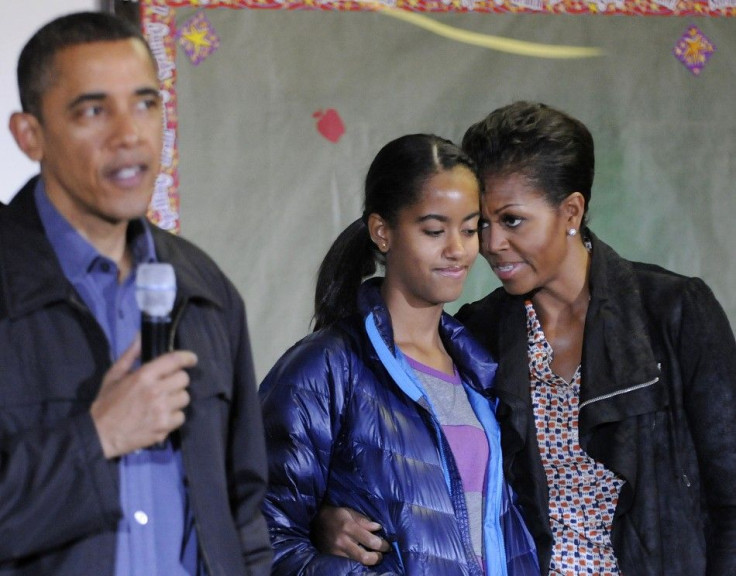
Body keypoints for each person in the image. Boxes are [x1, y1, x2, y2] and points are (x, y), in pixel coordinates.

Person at [317, 101, 736, 575]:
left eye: (512, 220)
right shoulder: (476, 334)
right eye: (484, 224)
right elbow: (408, 475)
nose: (491, 245)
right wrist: (326, 519)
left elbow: (731, 503)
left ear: (571, 211)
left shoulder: (673, 313)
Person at [0, 12, 271, 575]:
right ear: (30, 135)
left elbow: (244, 515)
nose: (130, 135)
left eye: (146, 104)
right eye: (94, 110)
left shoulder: (206, 288)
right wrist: (96, 437)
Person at [258, 134, 539, 576]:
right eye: (434, 230)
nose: (458, 250)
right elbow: (258, 539)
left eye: (469, 229)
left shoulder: (484, 371)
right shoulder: (324, 368)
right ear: (382, 232)